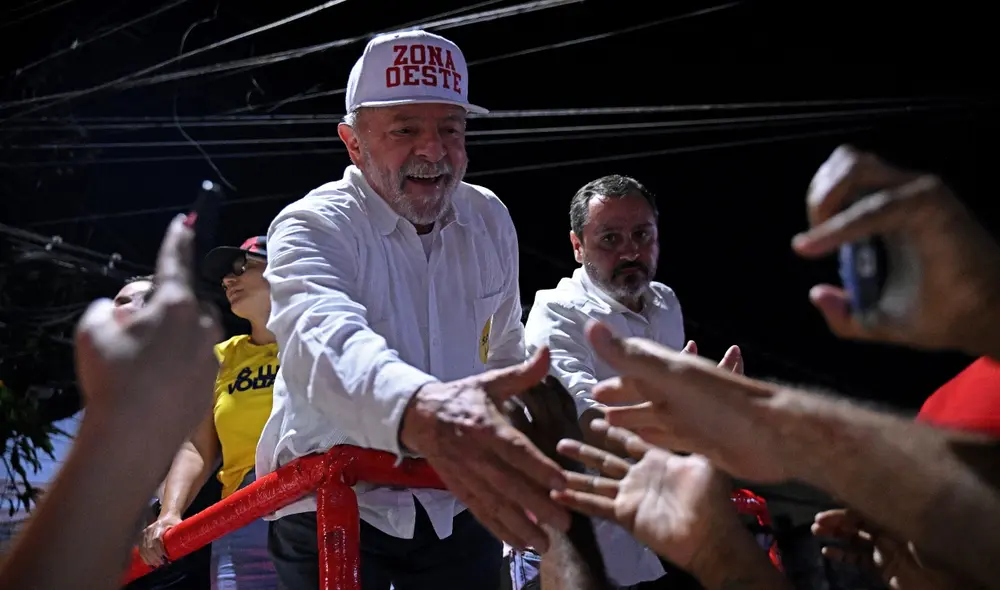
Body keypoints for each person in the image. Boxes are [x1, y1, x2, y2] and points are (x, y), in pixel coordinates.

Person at [256, 28, 571, 589]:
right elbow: (321, 340)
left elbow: (504, 353)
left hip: (455, 501)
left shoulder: (489, 218)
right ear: (352, 143)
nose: (433, 150)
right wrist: (423, 410)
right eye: (406, 129)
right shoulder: (312, 225)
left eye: (450, 129)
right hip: (334, 499)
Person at [522, 175, 742, 589]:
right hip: (570, 548)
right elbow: (582, 428)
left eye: (642, 234)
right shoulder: (556, 315)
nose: (630, 250)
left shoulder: (664, 303)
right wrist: (687, 417)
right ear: (577, 245)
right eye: (610, 238)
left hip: (652, 545)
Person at [0, 214, 222, 590]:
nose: (122, 309)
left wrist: (164, 511)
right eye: (119, 300)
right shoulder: (92, 406)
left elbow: (198, 447)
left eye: (138, 301)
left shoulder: (195, 383)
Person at [139, 236, 279, 590]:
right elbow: (198, 446)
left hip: (318, 507)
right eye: (224, 276)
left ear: (283, 268)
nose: (228, 281)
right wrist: (170, 513)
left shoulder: (320, 340)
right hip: (241, 518)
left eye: (241, 267)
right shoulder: (221, 358)